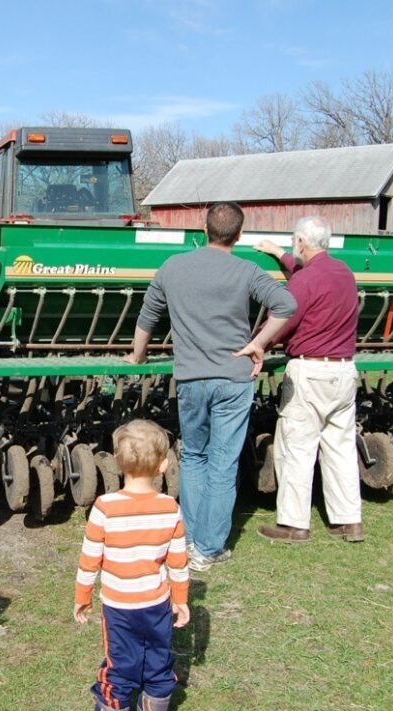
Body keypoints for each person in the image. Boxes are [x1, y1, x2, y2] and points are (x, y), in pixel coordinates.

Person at [125, 202, 296, 571]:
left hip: (191, 381)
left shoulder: (173, 267)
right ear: (238, 234)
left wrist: (138, 357)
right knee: (222, 463)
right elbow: (286, 304)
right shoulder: (247, 270)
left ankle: (186, 539)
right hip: (234, 380)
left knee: (194, 457)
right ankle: (208, 549)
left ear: (204, 231)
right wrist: (259, 343)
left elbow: (148, 316)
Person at [71, 419, 190, 711]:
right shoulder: (170, 508)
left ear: (118, 465)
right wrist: (180, 601)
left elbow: (89, 561)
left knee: (119, 666)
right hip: (157, 604)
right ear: (164, 465)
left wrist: (82, 598)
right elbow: (179, 563)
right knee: (157, 659)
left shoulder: (106, 507)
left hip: (120, 608)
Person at [253, 216, 364, 543]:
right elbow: (310, 278)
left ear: (301, 242)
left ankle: (293, 524)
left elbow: (283, 321)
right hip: (344, 372)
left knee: (296, 447)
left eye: (292, 243)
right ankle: (349, 522)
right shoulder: (344, 272)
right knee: (340, 447)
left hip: (309, 372)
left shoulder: (304, 281)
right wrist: (280, 255)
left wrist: (256, 344)